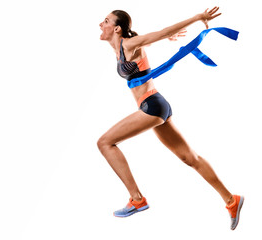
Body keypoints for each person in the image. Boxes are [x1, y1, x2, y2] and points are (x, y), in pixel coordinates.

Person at [97, 7, 244, 230]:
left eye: (106, 21)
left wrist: (196, 18)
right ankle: (231, 200)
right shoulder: (126, 46)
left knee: (105, 142)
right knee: (189, 158)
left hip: (152, 107)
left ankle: (137, 200)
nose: (101, 24)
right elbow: (150, 41)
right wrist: (164, 39)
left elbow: (162, 32)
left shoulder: (128, 44)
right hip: (156, 105)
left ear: (117, 28)